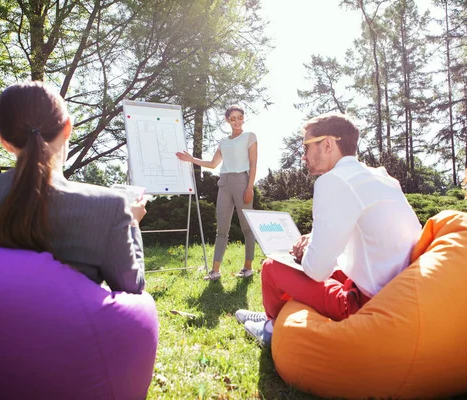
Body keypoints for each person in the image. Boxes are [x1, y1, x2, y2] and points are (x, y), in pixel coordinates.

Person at [0, 81, 147, 294]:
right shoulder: (108, 207)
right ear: (67, 127)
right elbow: (131, 288)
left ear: (3, 140)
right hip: (66, 329)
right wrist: (133, 224)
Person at [235, 112, 422, 345]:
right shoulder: (382, 178)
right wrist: (314, 238)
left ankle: (272, 328)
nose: (303, 156)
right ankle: (272, 318)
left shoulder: (333, 181)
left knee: (273, 267)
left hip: (365, 305)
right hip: (400, 293)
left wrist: (305, 252)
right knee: (327, 268)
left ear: (327, 143)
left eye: (305, 147)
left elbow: (316, 271)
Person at [176, 105, 257, 281]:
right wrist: (191, 159)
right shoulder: (224, 141)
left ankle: (248, 267)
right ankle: (215, 271)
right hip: (224, 183)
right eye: (233, 118)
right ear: (227, 120)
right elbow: (213, 164)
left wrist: (250, 186)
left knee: (246, 228)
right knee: (222, 229)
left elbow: (253, 164)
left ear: (243, 118)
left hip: (242, 181)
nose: (237, 121)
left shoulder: (249, 137)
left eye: (239, 117)